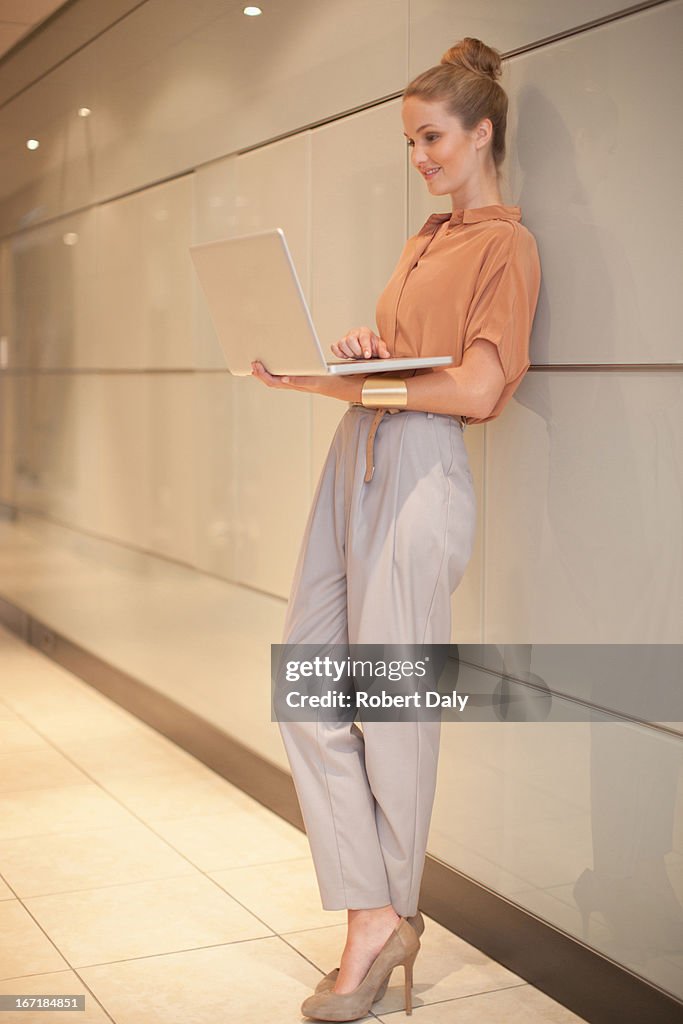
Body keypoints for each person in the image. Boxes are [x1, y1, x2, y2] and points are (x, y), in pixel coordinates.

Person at [251, 36, 542, 1022]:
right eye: (409, 141)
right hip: (358, 452)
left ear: (480, 133)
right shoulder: (421, 238)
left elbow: (473, 385)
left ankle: (376, 920)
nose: (417, 156)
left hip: (419, 471)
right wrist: (324, 369)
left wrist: (375, 375)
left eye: (430, 138)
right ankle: (375, 904)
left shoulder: (508, 245)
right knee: (305, 681)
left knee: (389, 700)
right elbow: (407, 363)